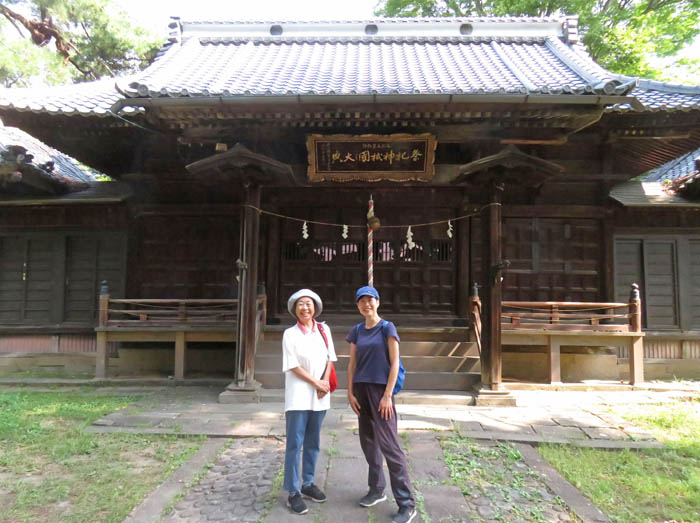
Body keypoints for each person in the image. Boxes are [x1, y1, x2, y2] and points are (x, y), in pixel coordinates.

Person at [346, 286, 416, 523]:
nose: (366, 304)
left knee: (390, 446)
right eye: (361, 301)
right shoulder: (356, 330)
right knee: (368, 443)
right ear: (357, 305)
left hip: (380, 391)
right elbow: (352, 364)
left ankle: (406, 504)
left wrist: (387, 395)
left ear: (378, 302)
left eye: (370, 300)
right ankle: (376, 489)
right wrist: (349, 392)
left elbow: (395, 363)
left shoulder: (387, 327)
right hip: (361, 390)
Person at [282, 288, 337, 515]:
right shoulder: (290, 334)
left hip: (320, 396)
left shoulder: (324, 330)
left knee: (313, 442)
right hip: (298, 397)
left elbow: (330, 359)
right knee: (295, 444)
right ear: (295, 309)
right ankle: (293, 492)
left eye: (309, 303)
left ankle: (308, 483)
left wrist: (324, 383)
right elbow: (293, 365)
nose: (306, 307)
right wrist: (317, 383)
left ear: (315, 307)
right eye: (301, 304)